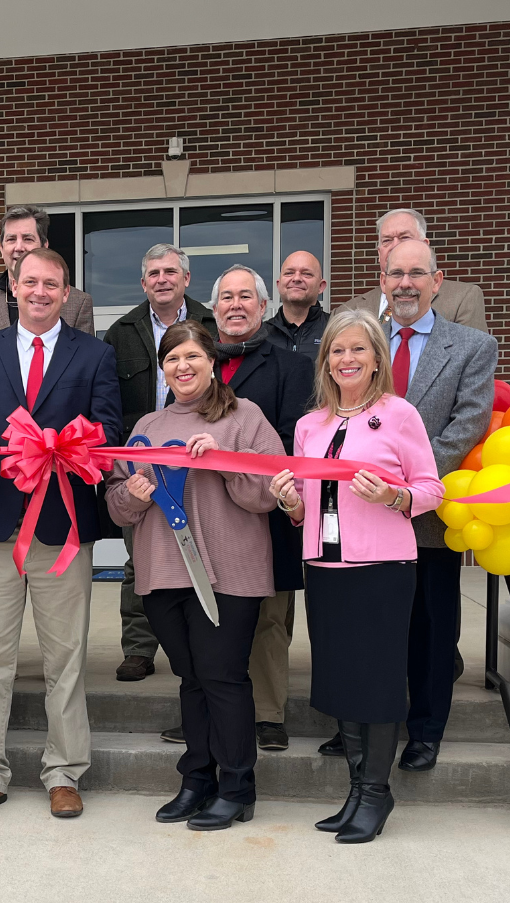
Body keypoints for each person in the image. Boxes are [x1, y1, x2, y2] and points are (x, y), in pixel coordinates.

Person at [0, 248, 120, 820]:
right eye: (31, 283)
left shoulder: (94, 355)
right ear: (13, 289)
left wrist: (69, 440)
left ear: (67, 292)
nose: (41, 292)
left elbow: (109, 427)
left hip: (62, 527)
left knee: (65, 656)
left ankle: (64, 771)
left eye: (52, 284)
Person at [318, 240, 495, 769]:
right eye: (395, 274)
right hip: (358, 520)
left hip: (428, 515)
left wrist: (401, 484)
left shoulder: (471, 346)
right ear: (382, 279)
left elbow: (467, 425)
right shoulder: (358, 345)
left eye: (417, 273)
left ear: (438, 281)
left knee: (429, 631)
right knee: (365, 633)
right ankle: (363, 726)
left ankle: (424, 730)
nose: (405, 284)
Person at [270, 309, 444, 842]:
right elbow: (309, 504)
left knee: (378, 680)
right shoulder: (309, 425)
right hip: (325, 565)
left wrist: (393, 495)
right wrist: (289, 502)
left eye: (358, 350)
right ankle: (354, 792)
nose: (347, 359)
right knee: (340, 679)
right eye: (337, 351)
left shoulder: (399, 415)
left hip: (382, 568)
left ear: (375, 360)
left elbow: (431, 489)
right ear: (325, 362)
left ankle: (377, 792)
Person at [107, 321, 283, 829]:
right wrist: (131, 497)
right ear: (162, 368)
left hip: (229, 574)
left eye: (192, 357)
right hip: (163, 572)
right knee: (190, 678)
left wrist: (227, 463)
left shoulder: (244, 417)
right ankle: (197, 778)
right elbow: (119, 507)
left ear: (212, 362)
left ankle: (237, 785)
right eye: (172, 359)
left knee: (222, 677)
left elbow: (268, 493)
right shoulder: (149, 424)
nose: (182, 367)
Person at [159, 264, 313, 752]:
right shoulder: (192, 365)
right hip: (202, 521)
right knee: (206, 628)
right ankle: (208, 712)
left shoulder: (290, 365)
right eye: (225, 297)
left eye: (246, 296)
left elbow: (292, 441)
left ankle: (267, 714)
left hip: (267, 509)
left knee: (268, 619)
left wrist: (234, 458)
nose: (235, 305)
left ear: (263, 307)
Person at [103, 243, 217, 682]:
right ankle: (138, 647)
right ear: (143, 282)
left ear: (186, 279)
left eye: (171, 271)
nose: (162, 279)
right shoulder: (121, 331)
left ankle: (202, 640)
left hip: (199, 457)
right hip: (142, 462)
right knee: (138, 559)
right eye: (154, 273)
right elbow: (110, 404)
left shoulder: (210, 325)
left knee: (204, 553)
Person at [334, 209, 489, 333]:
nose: (395, 246)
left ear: (425, 245)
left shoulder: (462, 299)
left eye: (404, 237)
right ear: (379, 252)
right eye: (387, 240)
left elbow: (471, 362)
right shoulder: (347, 310)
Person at [0, 205, 94, 337]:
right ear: (1, 247)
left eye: (28, 239)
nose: (19, 247)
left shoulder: (78, 304)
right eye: (11, 239)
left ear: (44, 245)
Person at [264, 250, 329, 355]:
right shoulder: (260, 335)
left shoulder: (336, 330)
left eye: (306, 274)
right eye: (289, 273)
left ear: (321, 286)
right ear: (278, 285)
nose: (297, 278)